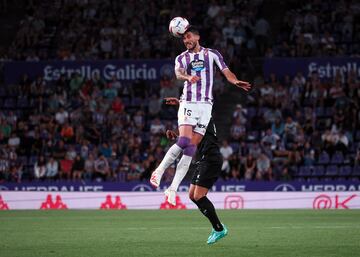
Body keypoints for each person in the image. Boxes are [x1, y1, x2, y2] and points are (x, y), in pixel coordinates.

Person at [150, 26, 251, 205]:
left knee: (191, 148)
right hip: (188, 101)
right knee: (183, 141)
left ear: (198, 36)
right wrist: (188, 77)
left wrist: (235, 81)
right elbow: (178, 73)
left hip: (206, 106)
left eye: (189, 36)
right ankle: (158, 172)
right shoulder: (182, 58)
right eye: (184, 38)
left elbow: (226, 71)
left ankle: (172, 189)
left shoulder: (212, 54)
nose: (186, 40)